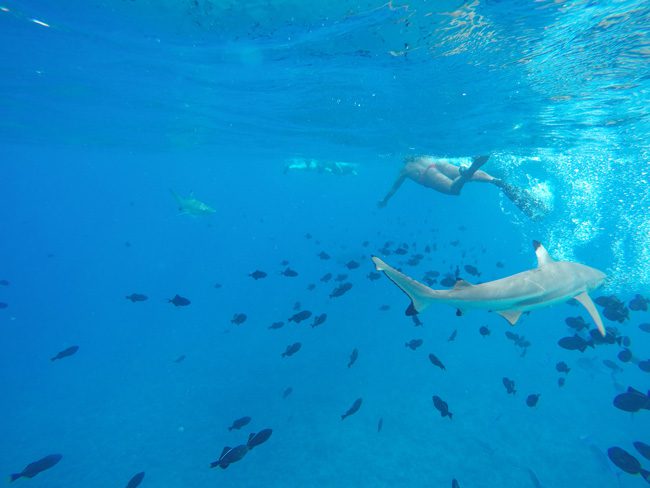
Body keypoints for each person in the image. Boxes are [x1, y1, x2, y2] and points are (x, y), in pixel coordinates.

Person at [377, 155, 548, 220]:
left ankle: (469, 171)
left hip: (427, 175)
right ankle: (537, 204)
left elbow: (393, 189)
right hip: (438, 163)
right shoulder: (424, 154)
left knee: (454, 189)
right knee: (497, 182)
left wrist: (384, 201)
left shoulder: (405, 170)